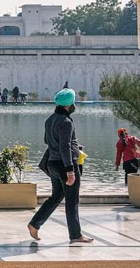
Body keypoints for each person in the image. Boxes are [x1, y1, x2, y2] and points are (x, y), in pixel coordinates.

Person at [28, 88, 93, 244]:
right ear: (68, 105)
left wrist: (73, 146)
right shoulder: (66, 122)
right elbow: (64, 147)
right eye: (73, 102)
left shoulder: (50, 119)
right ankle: (76, 235)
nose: (74, 105)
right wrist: (70, 171)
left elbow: (48, 141)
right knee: (72, 200)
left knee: (56, 196)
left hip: (52, 163)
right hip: (65, 165)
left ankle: (35, 224)